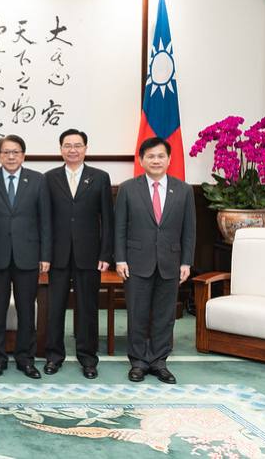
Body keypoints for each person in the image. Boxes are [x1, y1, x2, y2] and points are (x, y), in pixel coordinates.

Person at [115, 136, 195, 384]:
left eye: (161, 156)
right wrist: (120, 259)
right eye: (150, 156)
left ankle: (159, 362)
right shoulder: (128, 188)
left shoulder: (184, 190)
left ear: (169, 159)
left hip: (170, 262)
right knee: (137, 314)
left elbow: (189, 230)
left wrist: (186, 262)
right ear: (141, 160)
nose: (156, 160)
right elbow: (120, 227)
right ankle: (138, 362)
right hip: (136, 262)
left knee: (165, 316)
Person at [0, 134, 51, 379]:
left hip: (27, 255)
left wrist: (45, 255)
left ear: (23, 155)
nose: (11, 156)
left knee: (26, 311)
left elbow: (45, 221)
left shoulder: (38, 180)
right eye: (6, 152)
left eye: (15, 152)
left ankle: (25, 359)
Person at [44, 129, 113, 379]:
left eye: (77, 145)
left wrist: (106, 254)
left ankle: (88, 359)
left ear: (85, 148)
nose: (72, 150)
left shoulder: (100, 177)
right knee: (55, 309)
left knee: (87, 309)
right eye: (67, 145)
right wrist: (45, 255)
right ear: (60, 149)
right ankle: (54, 356)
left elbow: (108, 219)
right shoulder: (49, 178)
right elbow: (45, 220)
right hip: (57, 255)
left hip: (89, 255)